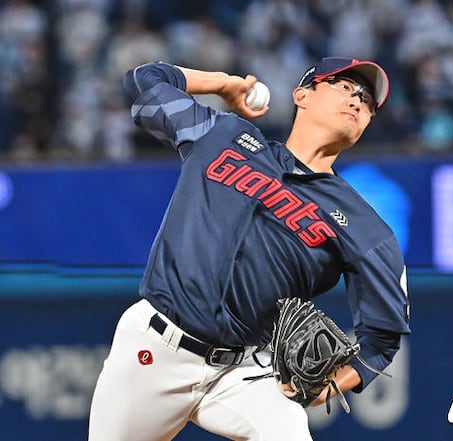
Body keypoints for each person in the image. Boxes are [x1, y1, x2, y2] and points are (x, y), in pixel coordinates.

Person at [88, 57, 411, 441]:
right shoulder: (222, 134)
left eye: (367, 101)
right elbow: (145, 80)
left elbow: (382, 337)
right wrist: (223, 85)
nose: (357, 100)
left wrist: (328, 386)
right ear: (302, 95)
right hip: (156, 348)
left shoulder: (365, 226)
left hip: (244, 372)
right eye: (344, 86)